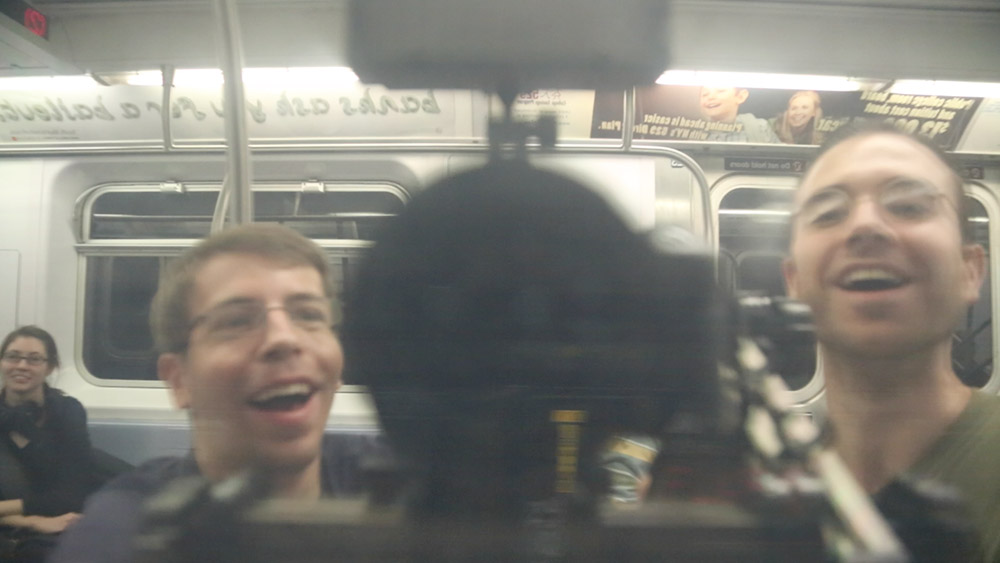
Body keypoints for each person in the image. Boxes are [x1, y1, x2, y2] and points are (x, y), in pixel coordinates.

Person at [50, 223, 378, 563]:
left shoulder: (401, 477)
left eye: (309, 315)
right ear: (179, 380)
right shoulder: (127, 532)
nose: (286, 338)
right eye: (236, 321)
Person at [782, 124, 1000, 561]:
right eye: (827, 213)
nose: (865, 225)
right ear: (794, 282)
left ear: (970, 271)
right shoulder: (770, 491)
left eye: (908, 206)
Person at [0, 326, 94, 562]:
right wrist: (33, 521)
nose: (22, 366)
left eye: (34, 359)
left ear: (49, 367)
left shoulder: (67, 412)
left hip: (60, 521)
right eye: (13, 357)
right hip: (21, 523)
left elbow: (70, 496)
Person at [698, 86, 780, 143]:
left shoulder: (759, 127)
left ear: (740, 97)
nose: (710, 97)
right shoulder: (694, 131)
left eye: (720, 91)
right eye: (705, 94)